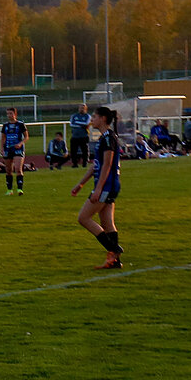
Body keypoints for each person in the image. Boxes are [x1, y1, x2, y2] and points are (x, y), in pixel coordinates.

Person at [71, 106, 123, 269]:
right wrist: (81, 183)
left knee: (83, 218)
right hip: (107, 185)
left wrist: (98, 189)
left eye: (94, 116)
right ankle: (114, 261)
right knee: (107, 223)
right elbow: (96, 166)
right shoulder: (103, 138)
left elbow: (107, 165)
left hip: (106, 185)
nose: (91, 119)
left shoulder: (109, 138)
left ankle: (113, 249)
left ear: (103, 119)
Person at [0, 107, 27, 195]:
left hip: (18, 149)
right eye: (7, 114)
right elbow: (3, 138)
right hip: (8, 148)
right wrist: (2, 148)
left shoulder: (20, 124)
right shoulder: (5, 126)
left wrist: (21, 143)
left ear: (15, 114)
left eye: (10, 113)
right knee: (8, 170)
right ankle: (9, 190)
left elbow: (26, 136)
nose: (9, 115)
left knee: (18, 168)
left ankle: (19, 189)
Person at [68, 104, 92, 168]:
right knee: (73, 151)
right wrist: (81, 125)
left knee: (85, 150)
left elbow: (86, 124)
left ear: (86, 109)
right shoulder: (74, 116)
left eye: (83, 108)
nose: (81, 109)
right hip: (75, 136)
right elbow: (71, 124)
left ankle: (85, 163)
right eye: (80, 108)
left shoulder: (88, 116)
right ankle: (74, 164)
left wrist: (77, 123)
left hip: (84, 136)